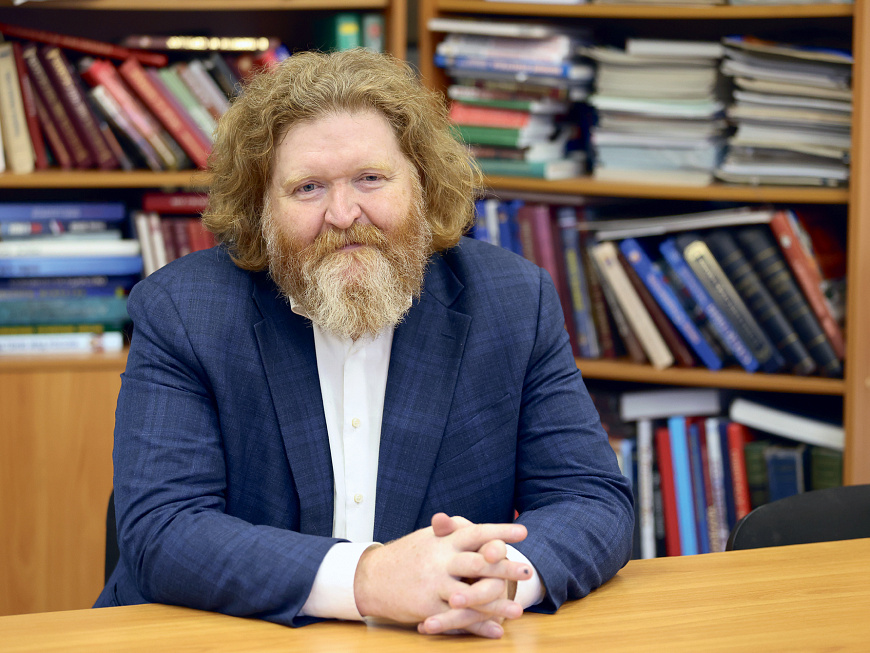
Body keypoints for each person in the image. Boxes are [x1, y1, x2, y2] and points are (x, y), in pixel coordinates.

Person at [95, 49, 633, 639]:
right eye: (308, 187)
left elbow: (591, 499)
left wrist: (494, 582)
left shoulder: (512, 301)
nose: (344, 213)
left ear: (422, 183)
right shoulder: (182, 311)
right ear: (261, 207)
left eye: (370, 179)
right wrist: (369, 579)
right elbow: (163, 531)